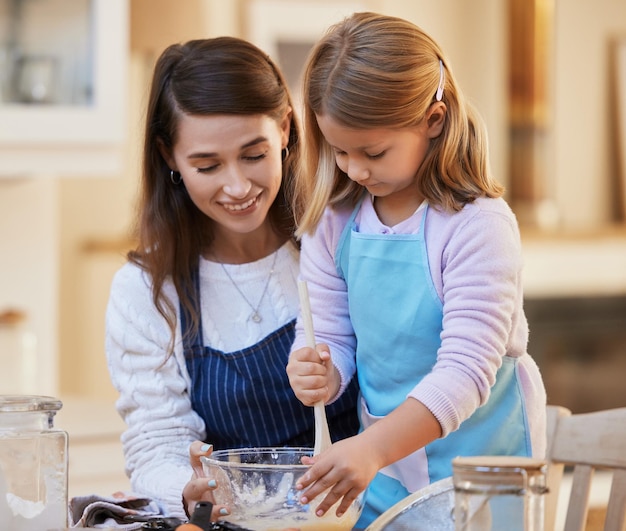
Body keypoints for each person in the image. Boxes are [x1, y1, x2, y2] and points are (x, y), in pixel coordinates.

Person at [286, 11, 547, 528]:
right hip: (388, 468)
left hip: (482, 471)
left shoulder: (478, 227)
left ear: (433, 120)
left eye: (374, 151)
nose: (355, 169)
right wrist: (317, 370)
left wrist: (370, 449)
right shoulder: (333, 222)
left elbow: (466, 372)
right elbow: (330, 336)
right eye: (339, 151)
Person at [105, 36, 360, 520]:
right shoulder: (147, 289)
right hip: (242, 521)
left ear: (285, 129)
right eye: (207, 165)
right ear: (169, 157)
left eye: (253, 154)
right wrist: (189, 485)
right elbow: (156, 442)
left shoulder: (340, 239)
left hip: (369, 514)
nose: (238, 186)